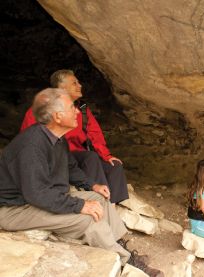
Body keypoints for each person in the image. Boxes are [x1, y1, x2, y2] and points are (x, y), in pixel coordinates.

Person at [0, 88, 163, 276]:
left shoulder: (56, 138)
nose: (78, 111)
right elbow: (37, 194)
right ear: (58, 116)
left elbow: (70, 167)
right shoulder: (31, 145)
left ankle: (119, 246)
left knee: (98, 198)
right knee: (88, 219)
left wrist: (92, 185)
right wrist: (79, 205)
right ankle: (128, 265)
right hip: (14, 209)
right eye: (72, 107)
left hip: (34, 199)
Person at [20, 69, 128, 204]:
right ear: (62, 88)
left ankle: (113, 205)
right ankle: (99, 203)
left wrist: (107, 155)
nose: (80, 85)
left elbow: (94, 135)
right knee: (90, 157)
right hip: (57, 158)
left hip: (78, 157)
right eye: (74, 83)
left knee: (114, 166)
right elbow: (28, 139)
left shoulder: (82, 110)